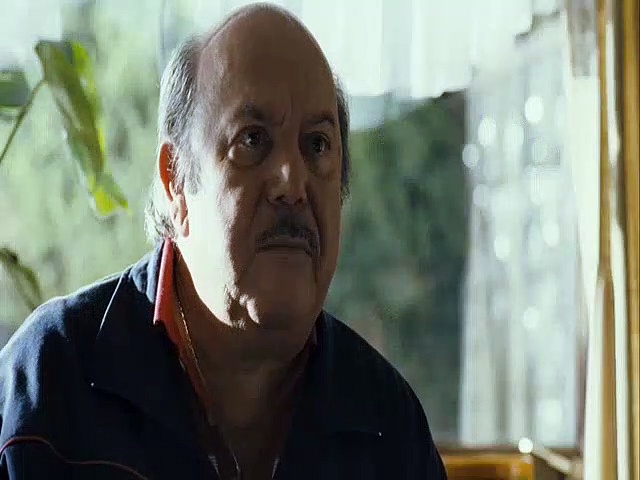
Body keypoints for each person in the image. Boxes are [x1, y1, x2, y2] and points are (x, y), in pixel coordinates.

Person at [0, 4, 447, 479]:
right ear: (175, 183)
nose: (292, 183)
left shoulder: (387, 427)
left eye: (316, 145)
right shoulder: (51, 385)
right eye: (252, 141)